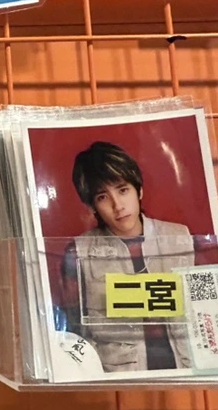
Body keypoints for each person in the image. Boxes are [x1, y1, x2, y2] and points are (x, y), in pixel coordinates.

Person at [60, 141, 195, 372]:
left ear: (139, 190)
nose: (118, 205)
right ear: (92, 206)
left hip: (184, 370)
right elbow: (74, 329)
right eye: (103, 197)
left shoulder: (180, 237)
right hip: (117, 376)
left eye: (123, 190)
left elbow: (201, 309)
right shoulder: (78, 252)